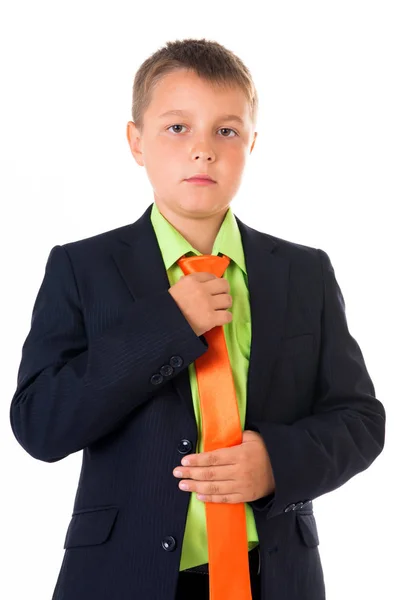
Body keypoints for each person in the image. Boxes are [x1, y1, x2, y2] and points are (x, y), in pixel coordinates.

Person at [9, 38, 385, 600]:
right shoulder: (81, 267)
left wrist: (277, 462)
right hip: (124, 578)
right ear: (136, 141)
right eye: (177, 128)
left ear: (252, 142)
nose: (203, 150)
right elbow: (40, 424)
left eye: (226, 130)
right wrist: (167, 325)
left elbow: (359, 419)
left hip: (274, 576)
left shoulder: (305, 272)